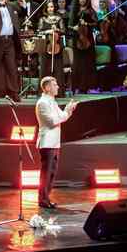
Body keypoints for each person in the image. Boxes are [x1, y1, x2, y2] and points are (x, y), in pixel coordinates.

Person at [35, 76, 77, 208]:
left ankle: (46, 198)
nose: (58, 87)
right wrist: (65, 113)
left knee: (51, 173)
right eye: (54, 85)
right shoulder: (43, 103)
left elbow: (62, 116)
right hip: (47, 142)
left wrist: (68, 110)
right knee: (46, 173)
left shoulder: (52, 102)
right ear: (47, 88)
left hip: (54, 142)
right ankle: (42, 199)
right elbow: (52, 121)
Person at [68, 0, 98, 93]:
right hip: (77, 39)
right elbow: (69, 26)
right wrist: (74, 27)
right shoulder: (74, 10)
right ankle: (76, 86)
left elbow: (96, 23)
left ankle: (87, 86)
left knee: (87, 63)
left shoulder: (90, 11)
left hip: (87, 39)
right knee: (78, 63)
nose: (83, 0)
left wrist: (86, 24)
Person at [37, 0, 66, 94]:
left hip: (56, 46)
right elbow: (39, 32)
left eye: (52, 7)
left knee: (57, 68)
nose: (50, 9)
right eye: (48, 7)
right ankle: (44, 90)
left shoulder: (59, 19)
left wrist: (56, 29)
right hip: (46, 46)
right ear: (46, 9)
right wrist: (47, 31)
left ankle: (58, 91)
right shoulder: (42, 19)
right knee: (45, 67)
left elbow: (63, 31)